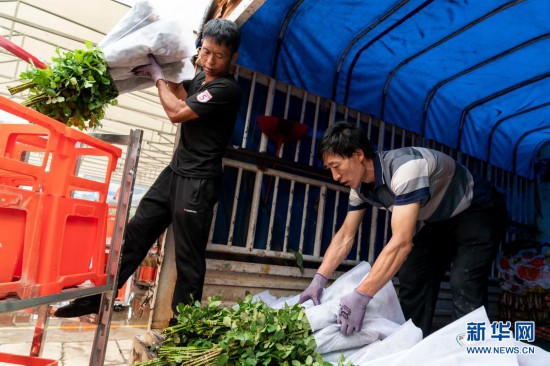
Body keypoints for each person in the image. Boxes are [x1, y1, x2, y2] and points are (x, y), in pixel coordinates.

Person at [54, 18, 242, 318]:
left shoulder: (226, 89)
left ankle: (183, 326)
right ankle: (98, 295)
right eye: (205, 52)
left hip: (198, 181)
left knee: (187, 256)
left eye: (219, 55)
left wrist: (156, 77)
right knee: (138, 229)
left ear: (233, 58)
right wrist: (159, 68)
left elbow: (177, 112)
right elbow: (180, 93)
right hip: (175, 172)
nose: (209, 60)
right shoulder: (201, 80)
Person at [299, 121, 507, 336]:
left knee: (464, 281)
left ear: (358, 154)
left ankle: (472, 350)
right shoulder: (359, 188)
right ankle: (409, 340)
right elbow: (345, 236)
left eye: (336, 166)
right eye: (330, 169)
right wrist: (318, 280)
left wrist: (362, 295)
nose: (335, 176)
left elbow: (401, 243)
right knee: (412, 273)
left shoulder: (405, 168)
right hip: (439, 219)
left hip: (478, 209)